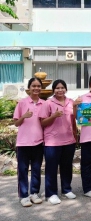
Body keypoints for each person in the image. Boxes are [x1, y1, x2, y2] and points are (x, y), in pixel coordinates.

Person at [39, 79, 77, 205]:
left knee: (67, 167)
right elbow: (43, 122)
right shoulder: (48, 103)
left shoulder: (71, 102)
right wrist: (53, 116)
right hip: (52, 142)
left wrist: (75, 135)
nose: (60, 90)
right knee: (51, 168)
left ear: (66, 89)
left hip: (69, 140)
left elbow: (73, 120)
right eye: (57, 88)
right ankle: (51, 193)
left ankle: (66, 189)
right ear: (53, 90)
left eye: (62, 87)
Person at [13, 77, 45, 207]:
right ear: (29, 88)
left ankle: (34, 193)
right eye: (33, 86)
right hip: (23, 143)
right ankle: (24, 195)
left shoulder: (44, 103)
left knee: (37, 169)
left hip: (38, 142)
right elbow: (16, 123)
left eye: (38, 86)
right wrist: (23, 116)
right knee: (23, 170)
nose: (36, 88)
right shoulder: (22, 103)